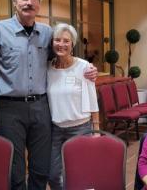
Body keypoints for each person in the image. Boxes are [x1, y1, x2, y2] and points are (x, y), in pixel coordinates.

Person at [0, 0, 97, 190]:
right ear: (14, 1)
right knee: (15, 168)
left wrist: (87, 70)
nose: (29, 3)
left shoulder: (48, 33)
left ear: (39, 4)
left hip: (41, 107)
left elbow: (62, 59)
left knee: (41, 168)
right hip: (9, 109)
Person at [47, 23, 100, 190]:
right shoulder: (48, 68)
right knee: (53, 174)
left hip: (80, 128)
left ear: (72, 44)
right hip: (55, 130)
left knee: (80, 174)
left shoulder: (84, 67)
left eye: (66, 41)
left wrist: (96, 129)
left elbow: (92, 99)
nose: (61, 44)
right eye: (57, 40)